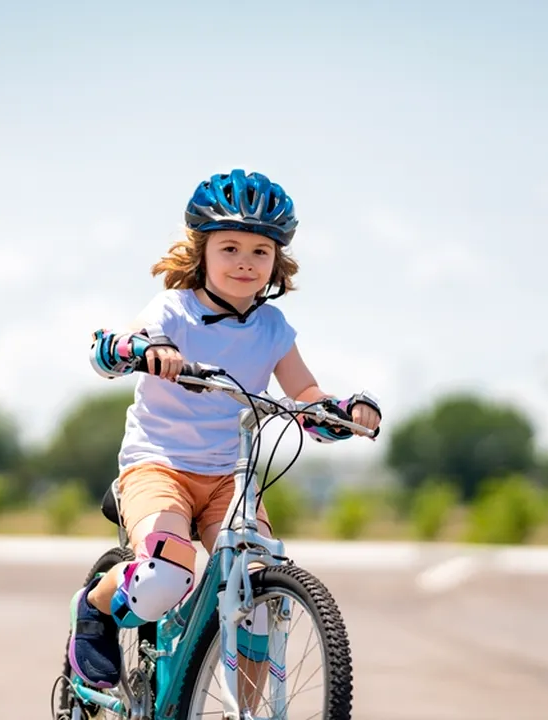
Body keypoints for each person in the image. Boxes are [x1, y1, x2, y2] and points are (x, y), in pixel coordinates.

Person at [68, 169, 383, 691]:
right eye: (230, 248)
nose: (245, 262)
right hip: (159, 466)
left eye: (260, 251)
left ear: (276, 261)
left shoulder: (273, 328)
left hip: (229, 479)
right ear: (203, 252)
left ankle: (246, 711)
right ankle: (96, 607)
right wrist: (145, 349)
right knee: (165, 575)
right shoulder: (173, 310)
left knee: (258, 596)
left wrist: (345, 413)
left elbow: (306, 396)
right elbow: (110, 350)